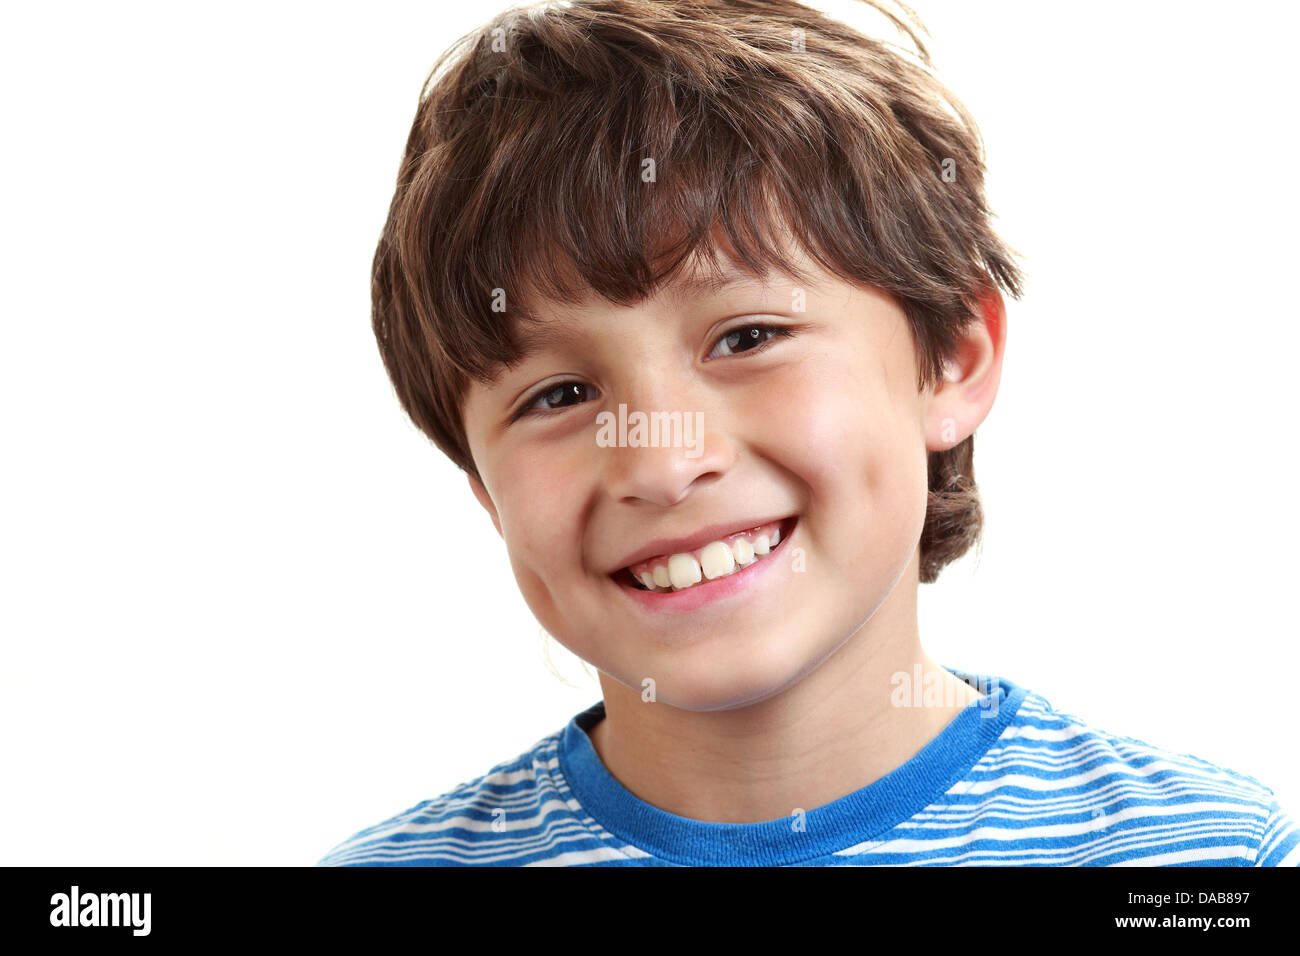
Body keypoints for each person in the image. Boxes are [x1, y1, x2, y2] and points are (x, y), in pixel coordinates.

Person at [317, 0, 1298, 866]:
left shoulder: (1211, 860)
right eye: (559, 394)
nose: (661, 462)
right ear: (483, 484)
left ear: (950, 357)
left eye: (747, 336)